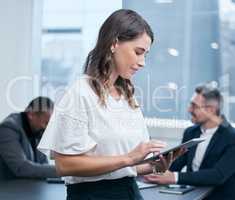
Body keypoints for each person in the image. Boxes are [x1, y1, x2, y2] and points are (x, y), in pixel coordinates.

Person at [38, 9, 171, 200]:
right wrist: (128, 158)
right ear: (114, 43)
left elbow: (127, 168)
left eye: (145, 55)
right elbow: (64, 165)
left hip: (129, 192)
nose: (142, 62)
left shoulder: (128, 97)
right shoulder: (81, 92)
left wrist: (155, 165)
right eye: (138, 52)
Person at [144, 83, 235, 200]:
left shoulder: (231, 137)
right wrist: (154, 170)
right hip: (192, 196)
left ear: (211, 110)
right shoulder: (190, 132)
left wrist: (175, 177)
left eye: (194, 106)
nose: (189, 109)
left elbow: (218, 175)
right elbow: (176, 163)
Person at [0, 96, 58, 180]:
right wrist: (64, 170)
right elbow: (21, 168)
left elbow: (42, 164)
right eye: (46, 123)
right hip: (9, 190)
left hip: (28, 189)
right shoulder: (8, 128)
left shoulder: (37, 130)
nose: (47, 128)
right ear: (31, 114)